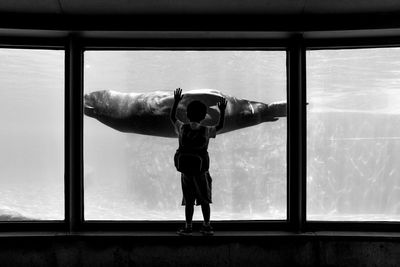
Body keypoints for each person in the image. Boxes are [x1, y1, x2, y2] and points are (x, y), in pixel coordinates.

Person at [170, 88, 227, 236]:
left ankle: (188, 227)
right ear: (204, 116)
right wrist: (222, 111)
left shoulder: (182, 127)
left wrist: (176, 101)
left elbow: (172, 118)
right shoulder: (206, 130)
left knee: (188, 201)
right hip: (201, 173)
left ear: (187, 115)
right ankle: (207, 226)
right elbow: (220, 127)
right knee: (204, 200)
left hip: (186, 173)